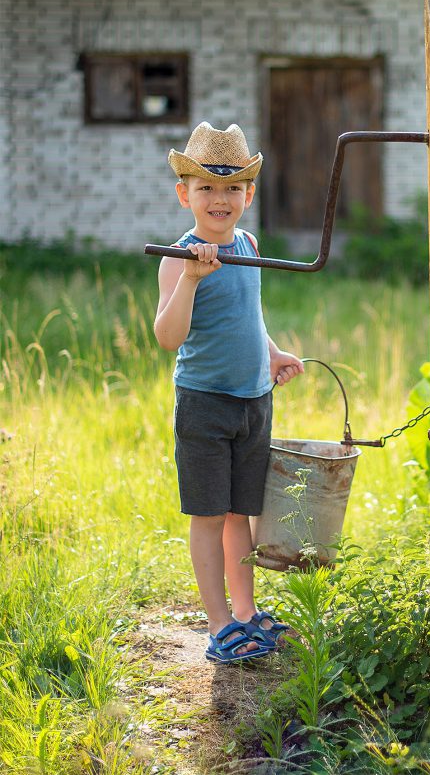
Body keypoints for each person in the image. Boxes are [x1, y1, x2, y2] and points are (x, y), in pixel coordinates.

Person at [154, 121, 304, 664]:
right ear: (184, 194)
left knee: (241, 514)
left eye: (232, 188)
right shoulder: (178, 257)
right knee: (210, 515)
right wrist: (192, 279)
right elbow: (168, 337)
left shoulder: (248, 244)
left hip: (253, 400)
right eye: (207, 188)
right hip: (205, 403)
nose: (220, 199)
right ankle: (219, 626)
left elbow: (248, 314)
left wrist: (272, 352)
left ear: (249, 195)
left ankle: (245, 612)